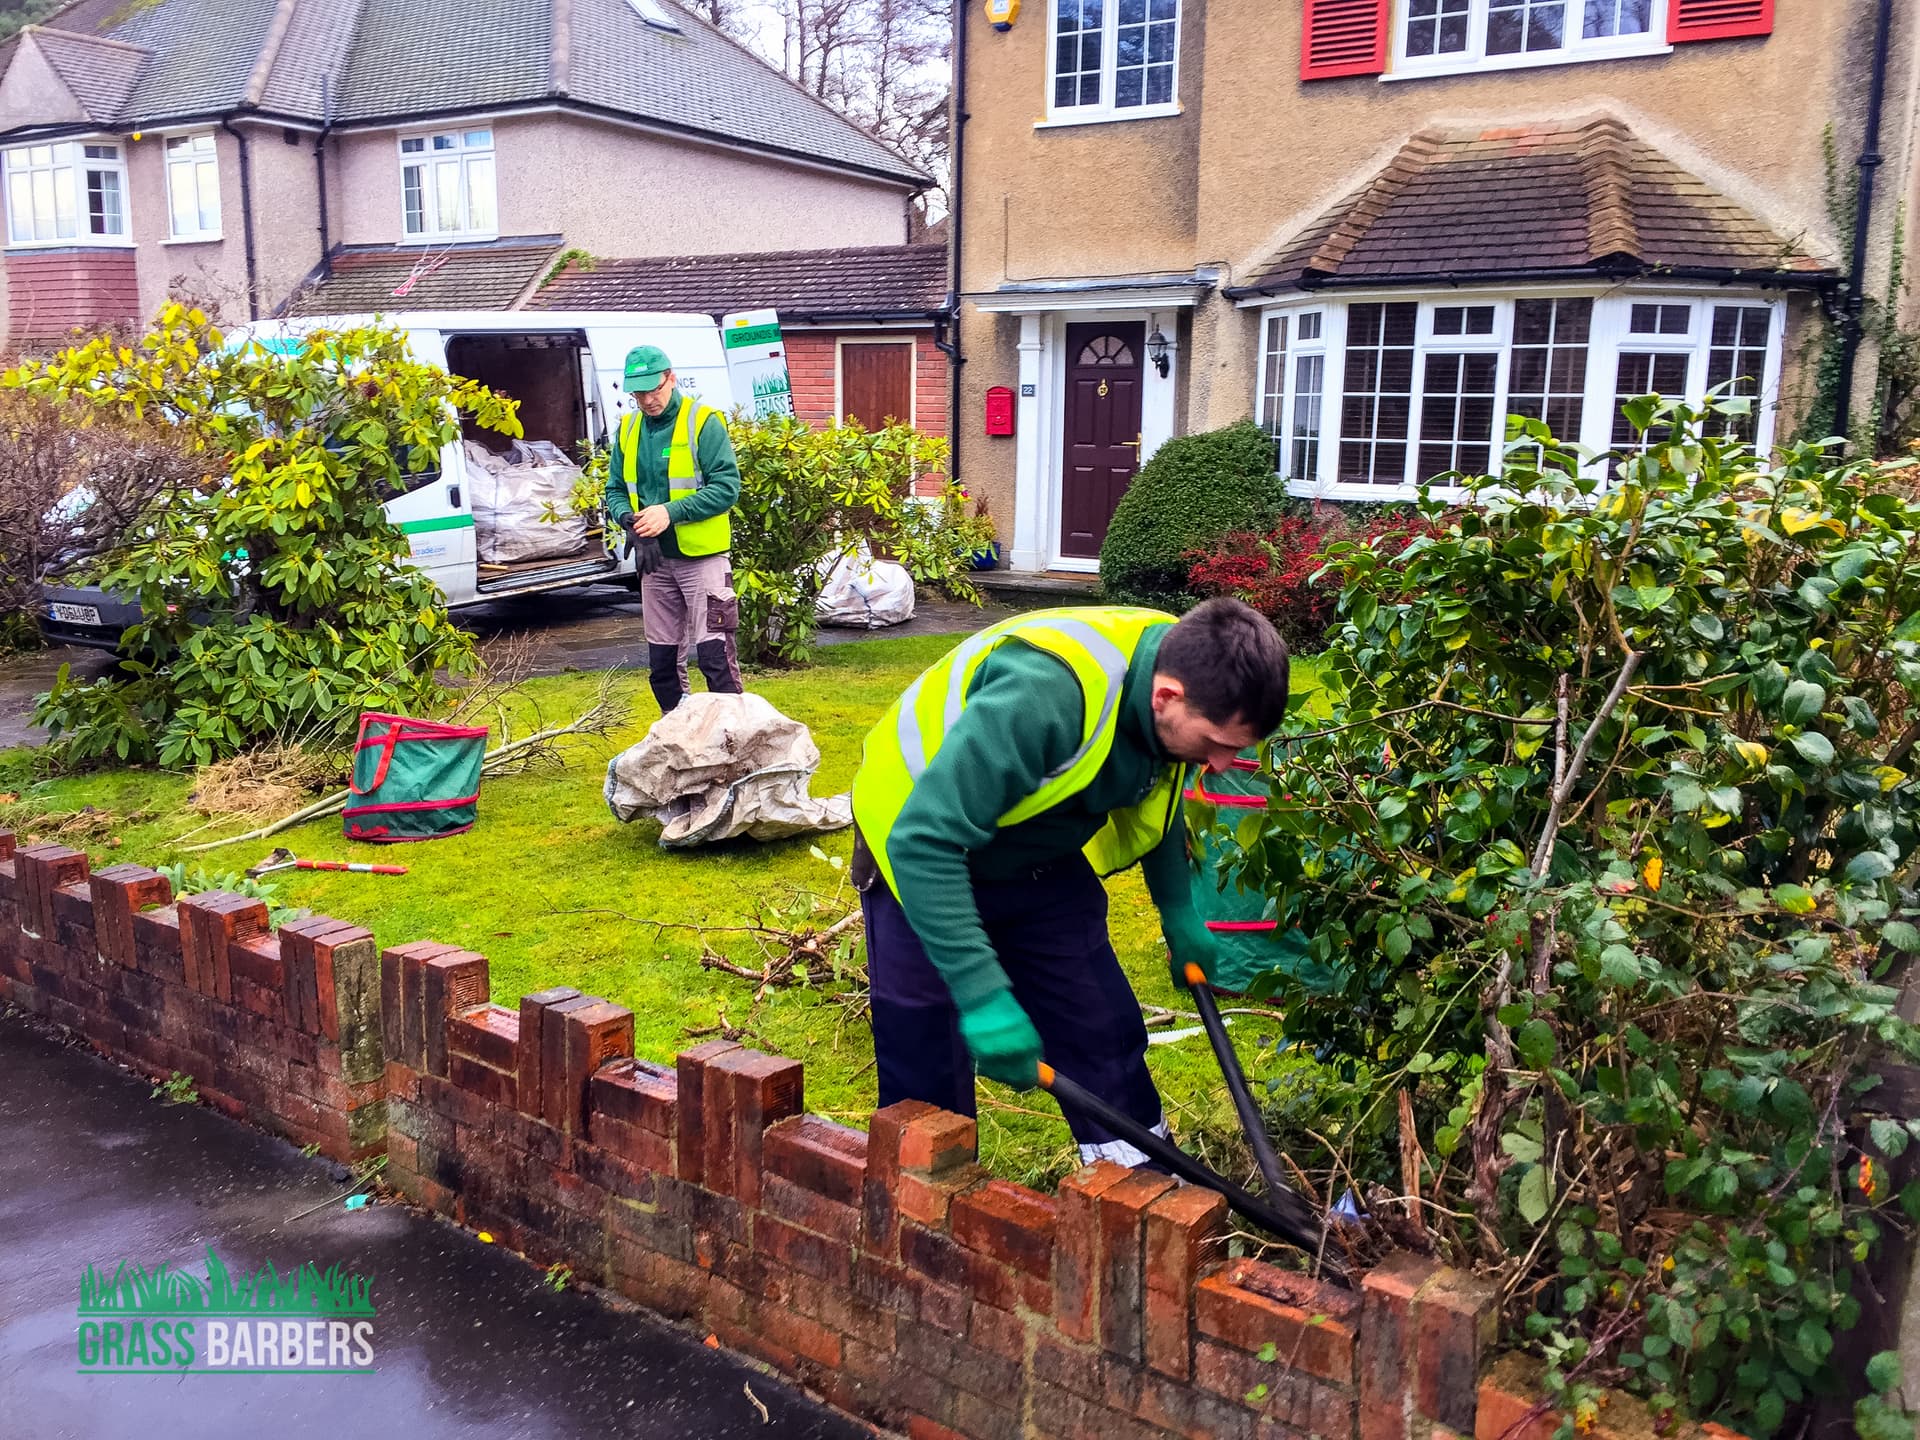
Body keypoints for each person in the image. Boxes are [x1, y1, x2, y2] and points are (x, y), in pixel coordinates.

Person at [849, 598, 1292, 1166]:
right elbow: (923, 841)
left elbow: (1156, 798)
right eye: (1216, 744)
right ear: (1166, 697)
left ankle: (1142, 1195)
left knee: (1100, 1026)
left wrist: (1178, 911)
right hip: (918, 846)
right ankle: (926, 1220)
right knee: (925, 1053)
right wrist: (984, 997)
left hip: (1035, 846)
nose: (1223, 765)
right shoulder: (1043, 695)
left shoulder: (1181, 670)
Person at [605, 345, 743, 713]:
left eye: (655, 390)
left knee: (716, 656)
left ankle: (734, 737)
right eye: (639, 393)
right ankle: (678, 737)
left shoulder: (703, 421)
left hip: (703, 560)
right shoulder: (629, 428)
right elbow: (615, 490)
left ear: (671, 378)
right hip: (655, 562)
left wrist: (669, 513)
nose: (648, 400)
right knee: (662, 664)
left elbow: (726, 489)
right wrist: (629, 521)